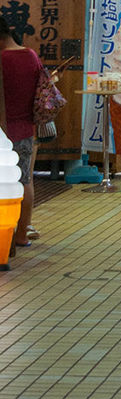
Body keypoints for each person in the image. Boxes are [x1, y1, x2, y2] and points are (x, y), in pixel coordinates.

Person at [0, 17, 42, 246]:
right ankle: (21, 235)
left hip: (3, 131)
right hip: (25, 128)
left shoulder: (2, 59)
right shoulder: (31, 56)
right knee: (24, 180)